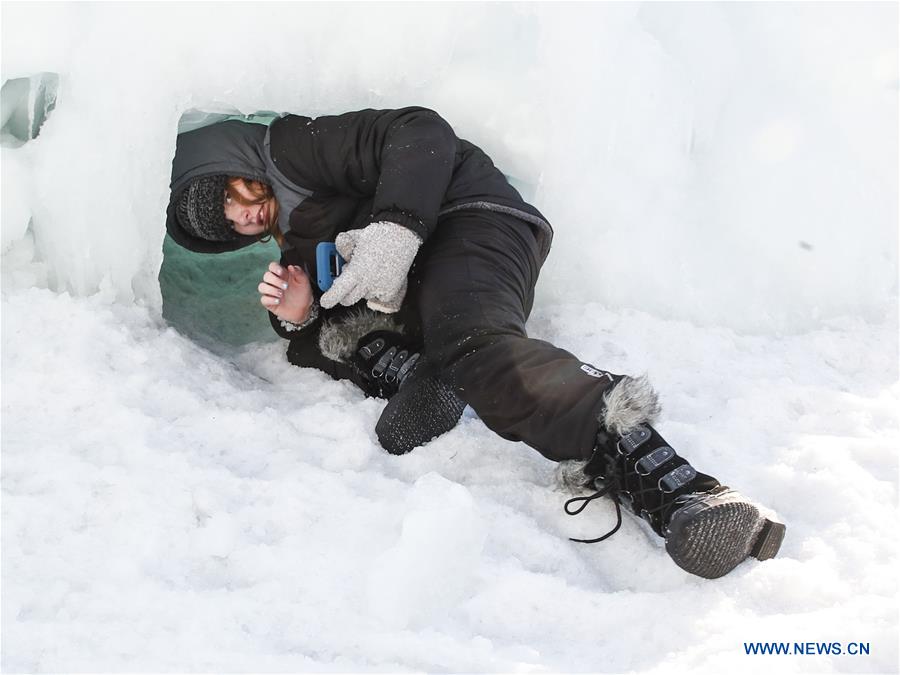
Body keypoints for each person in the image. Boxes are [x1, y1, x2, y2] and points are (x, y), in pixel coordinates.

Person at [166, 107, 785, 579]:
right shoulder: (294, 235)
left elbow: (421, 131)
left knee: (473, 344)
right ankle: (415, 372)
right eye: (221, 224)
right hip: (419, 275)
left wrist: (395, 231)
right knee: (328, 328)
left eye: (224, 195)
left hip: (474, 218)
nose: (238, 217)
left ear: (233, 162)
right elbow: (317, 312)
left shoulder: (296, 148)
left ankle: (683, 490)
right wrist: (296, 315)